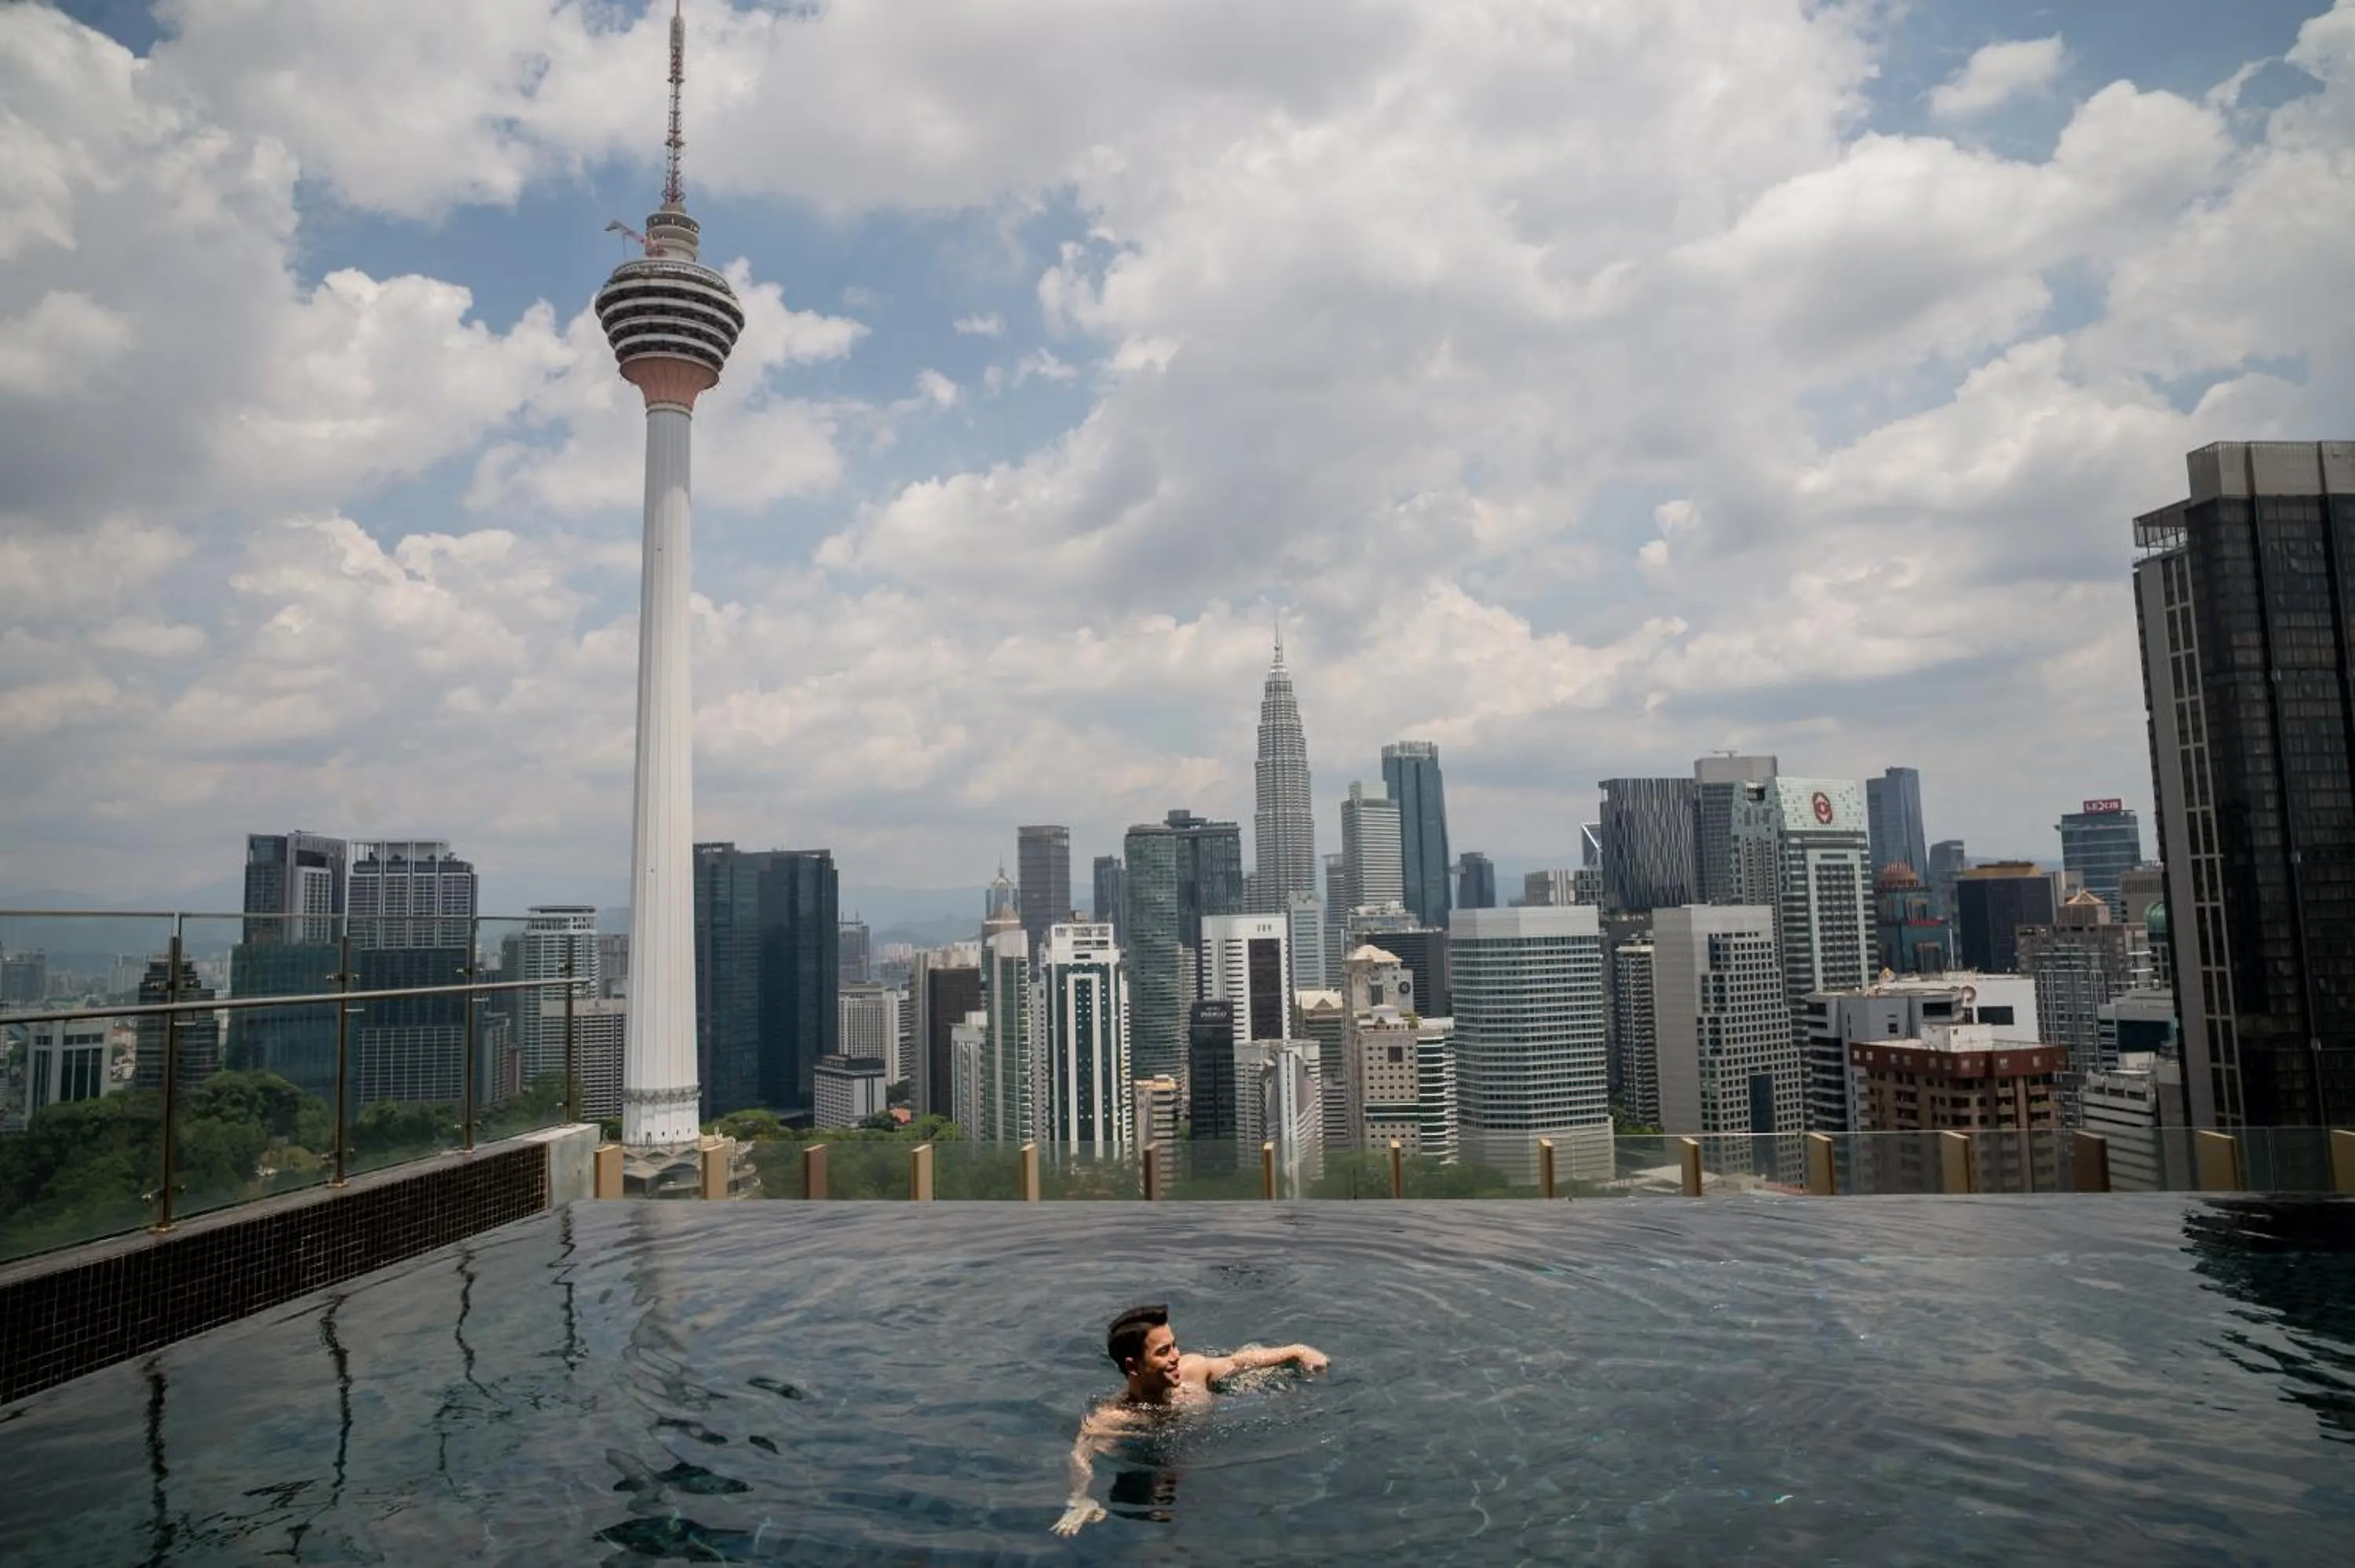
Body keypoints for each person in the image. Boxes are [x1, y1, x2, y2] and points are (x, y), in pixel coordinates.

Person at [1052, 1303, 1330, 1537]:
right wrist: (1079, 1498)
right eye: (1163, 1352)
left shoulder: (1193, 1371)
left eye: (1174, 1346)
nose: (1175, 1357)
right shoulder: (1113, 1419)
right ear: (1132, 1366)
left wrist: (1297, 1350)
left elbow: (1240, 1361)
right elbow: (1080, 1456)